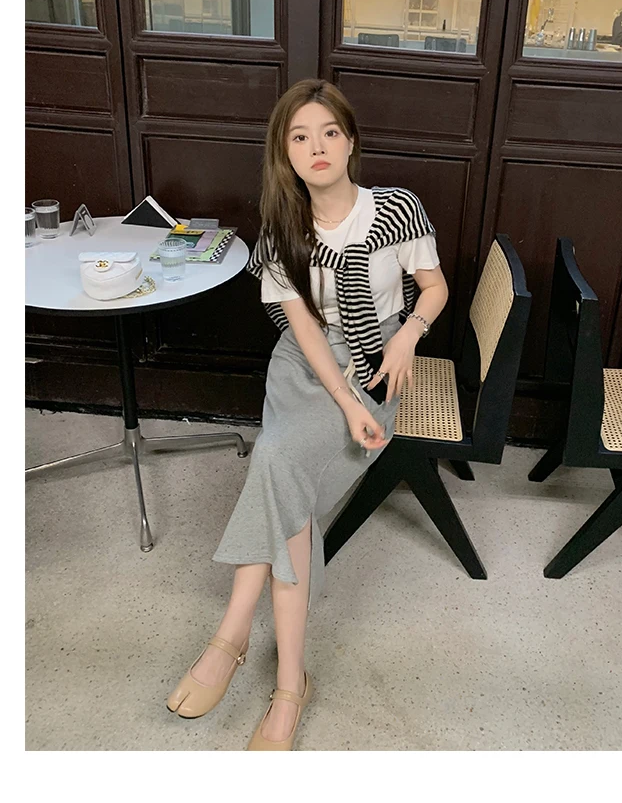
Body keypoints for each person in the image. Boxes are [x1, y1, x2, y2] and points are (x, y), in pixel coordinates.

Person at [166, 78, 449, 750]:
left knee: (274, 462)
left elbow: (434, 286)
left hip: (377, 362)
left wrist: (408, 334)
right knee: (283, 475)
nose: (316, 146)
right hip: (303, 364)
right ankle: (290, 683)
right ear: (285, 153)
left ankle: (233, 638)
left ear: (350, 142)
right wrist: (341, 403)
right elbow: (303, 330)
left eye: (329, 132)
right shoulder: (283, 230)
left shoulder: (398, 211)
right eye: (300, 136)